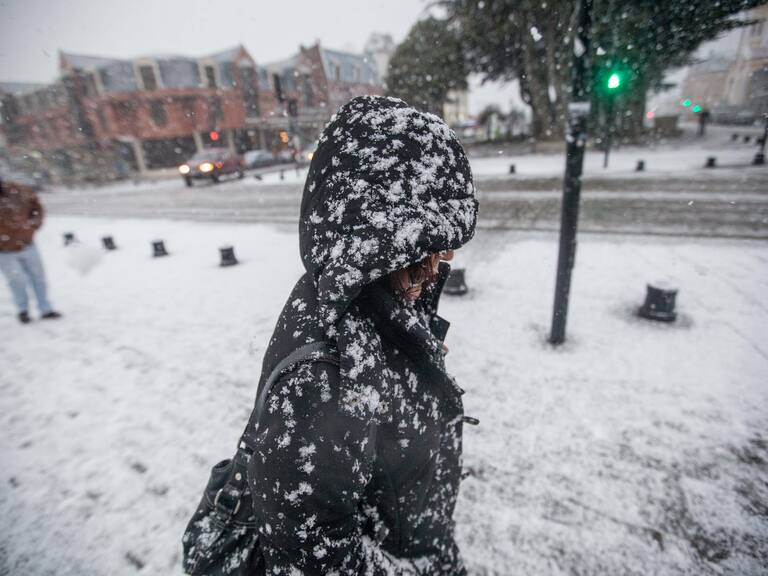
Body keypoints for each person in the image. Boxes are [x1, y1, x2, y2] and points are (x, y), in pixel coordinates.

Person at [241, 95, 479, 574]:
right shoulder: (321, 378)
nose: (439, 266)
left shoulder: (381, 308)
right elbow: (316, 559)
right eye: (426, 251)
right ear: (375, 241)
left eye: (445, 251)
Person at [0, 178, 61, 323]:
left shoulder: (18, 190)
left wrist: (33, 225)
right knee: (17, 280)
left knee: (38, 278)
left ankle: (45, 308)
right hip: (4, 250)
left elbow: (36, 207)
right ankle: (23, 310)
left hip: (27, 243)